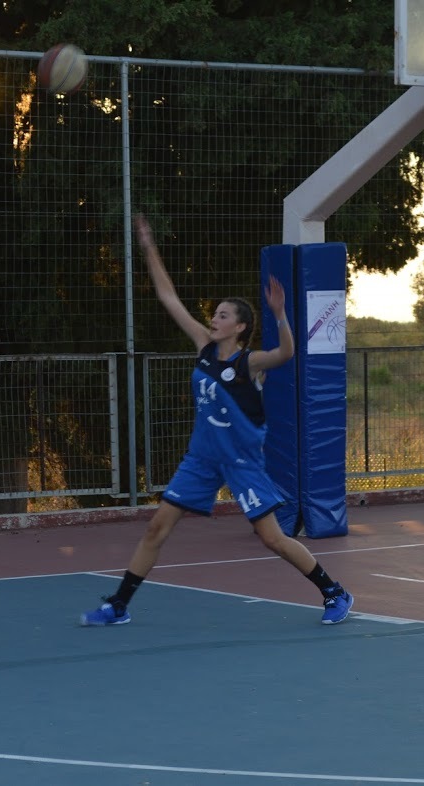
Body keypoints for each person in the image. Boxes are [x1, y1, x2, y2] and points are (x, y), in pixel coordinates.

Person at [80, 214, 354, 626]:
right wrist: (148, 246)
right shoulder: (203, 347)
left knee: (272, 538)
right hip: (202, 459)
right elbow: (168, 297)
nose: (215, 318)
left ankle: (334, 592)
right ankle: (118, 606)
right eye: (216, 313)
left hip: (242, 461)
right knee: (156, 528)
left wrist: (280, 314)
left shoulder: (250, 362)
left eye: (224, 315)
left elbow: (286, 354)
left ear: (240, 327)